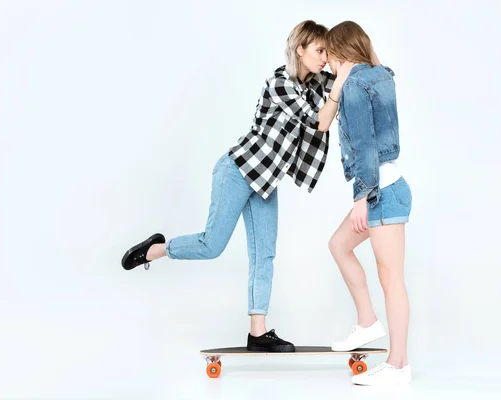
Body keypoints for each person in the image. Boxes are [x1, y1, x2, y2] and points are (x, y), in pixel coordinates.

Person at [120, 20, 352, 352]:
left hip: (266, 182)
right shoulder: (281, 82)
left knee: (264, 255)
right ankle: (155, 249)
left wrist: (369, 71)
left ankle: (257, 333)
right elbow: (319, 121)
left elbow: (347, 77)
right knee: (211, 246)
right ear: (300, 50)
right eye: (319, 51)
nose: (325, 58)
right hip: (239, 171)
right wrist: (340, 82)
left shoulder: (314, 83)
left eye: (327, 52)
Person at [325, 21, 413, 384]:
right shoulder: (380, 76)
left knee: (391, 280)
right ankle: (367, 322)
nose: (327, 63)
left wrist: (361, 197)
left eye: (328, 55)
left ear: (339, 52)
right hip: (387, 186)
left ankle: (398, 366)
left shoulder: (356, 85)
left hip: (381, 191)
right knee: (339, 245)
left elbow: (364, 145)